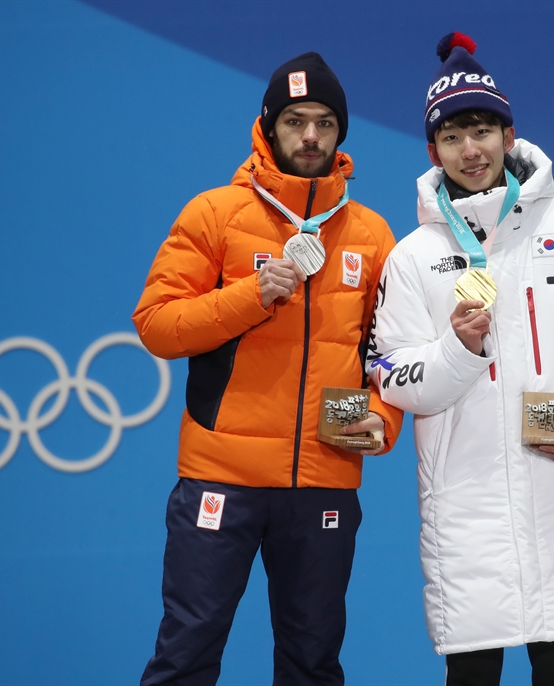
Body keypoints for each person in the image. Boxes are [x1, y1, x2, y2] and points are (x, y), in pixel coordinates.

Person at [367, 33, 554, 686]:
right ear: (433, 149)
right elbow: (390, 373)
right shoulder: (412, 255)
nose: (471, 149)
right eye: (454, 136)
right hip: (466, 502)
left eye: (482, 130)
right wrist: (458, 350)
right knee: (472, 674)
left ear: (508, 134)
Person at [132, 52, 403, 685]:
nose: (310, 136)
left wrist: (379, 419)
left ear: (340, 134)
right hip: (220, 478)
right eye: (295, 120)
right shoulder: (214, 214)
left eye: (324, 123)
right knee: (186, 656)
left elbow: (389, 350)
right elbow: (158, 326)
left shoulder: (371, 234)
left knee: (312, 663)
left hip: (324, 481)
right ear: (268, 128)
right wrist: (252, 296)